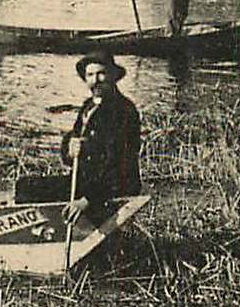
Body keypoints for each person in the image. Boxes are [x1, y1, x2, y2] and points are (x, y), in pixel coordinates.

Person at [13, 51, 143, 223]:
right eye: (90, 75)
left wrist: (86, 200)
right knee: (25, 186)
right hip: (87, 181)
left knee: (31, 191)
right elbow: (71, 151)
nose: (95, 80)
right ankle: (40, 234)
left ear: (112, 75)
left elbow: (118, 164)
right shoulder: (88, 107)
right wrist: (69, 148)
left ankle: (55, 232)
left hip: (113, 186)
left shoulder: (123, 110)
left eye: (101, 73)